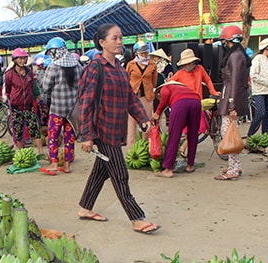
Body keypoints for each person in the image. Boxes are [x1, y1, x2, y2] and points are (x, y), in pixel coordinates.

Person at [77, 23, 160, 234]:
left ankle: (85, 207)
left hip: (116, 129)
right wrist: (86, 136)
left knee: (100, 171)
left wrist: (143, 119)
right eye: (114, 38)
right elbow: (85, 103)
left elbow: (131, 99)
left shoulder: (120, 70)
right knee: (120, 174)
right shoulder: (95, 68)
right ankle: (136, 217)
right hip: (102, 130)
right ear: (102, 42)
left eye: (121, 38)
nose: (119, 42)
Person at [41, 37, 83, 174]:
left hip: (57, 110)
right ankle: (66, 165)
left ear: (54, 52)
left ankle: (53, 163)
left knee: (53, 136)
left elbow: (45, 87)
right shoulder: (77, 65)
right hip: (72, 111)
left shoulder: (53, 67)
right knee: (69, 138)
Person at [215, 25, 251, 180]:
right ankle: (236, 167)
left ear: (228, 41)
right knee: (230, 133)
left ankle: (233, 169)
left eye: (224, 42)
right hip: (232, 95)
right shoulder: (239, 54)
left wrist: (232, 105)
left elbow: (235, 81)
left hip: (231, 96)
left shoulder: (235, 56)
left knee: (228, 134)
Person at [169, 48, 221, 157]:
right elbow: (169, 85)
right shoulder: (179, 74)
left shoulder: (200, 69)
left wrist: (213, 91)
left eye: (189, 63)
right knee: (188, 130)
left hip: (198, 104)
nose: (187, 66)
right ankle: (186, 149)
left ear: (193, 62)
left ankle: (184, 147)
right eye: (185, 64)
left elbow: (207, 80)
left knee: (199, 128)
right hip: (185, 105)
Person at [151, 81, 202, 178]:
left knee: (174, 136)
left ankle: (168, 169)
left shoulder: (166, 87)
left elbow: (165, 95)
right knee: (193, 135)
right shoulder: (184, 88)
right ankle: (190, 165)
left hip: (180, 104)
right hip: (196, 102)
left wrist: (157, 112)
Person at [4, 48, 45, 155]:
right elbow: (8, 90)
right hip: (16, 107)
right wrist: (13, 99)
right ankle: (21, 153)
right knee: (18, 131)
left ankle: (41, 153)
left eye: (24, 58)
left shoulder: (29, 73)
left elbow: (33, 87)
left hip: (29, 106)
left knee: (34, 129)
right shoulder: (9, 74)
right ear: (14, 59)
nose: (22, 61)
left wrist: (38, 98)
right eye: (20, 58)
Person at [125, 42, 158, 148]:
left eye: (145, 53)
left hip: (147, 97)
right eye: (142, 53)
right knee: (132, 123)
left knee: (147, 121)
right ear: (137, 53)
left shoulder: (152, 64)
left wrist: (149, 88)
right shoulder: (131, 65)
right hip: (133, 97)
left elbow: (154, 80)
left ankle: (145, 146)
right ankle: (132, 148)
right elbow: (127, 79)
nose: (144, 55)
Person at [247, 38, 268, 138]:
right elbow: (254, 75)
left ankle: (265, 136)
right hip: (259, 91)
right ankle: (250, 134)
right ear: (267, 48)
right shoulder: (258, 59)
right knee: (260, 113)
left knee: (267, 115)